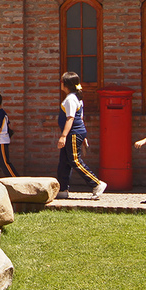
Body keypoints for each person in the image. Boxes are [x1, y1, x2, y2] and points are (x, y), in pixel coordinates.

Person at [56, 71, 107, 200]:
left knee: (74, 161)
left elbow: (71, 119)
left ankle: (97, 184)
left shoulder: (71, 99)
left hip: (73, 133)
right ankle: (62, 189)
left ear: (66, 84)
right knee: (64, 161)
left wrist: (63, 136)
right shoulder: (74, 98)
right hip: (75, 133)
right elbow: (81, 118)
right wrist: (83, 137)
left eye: (62, 81)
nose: (60, 84)